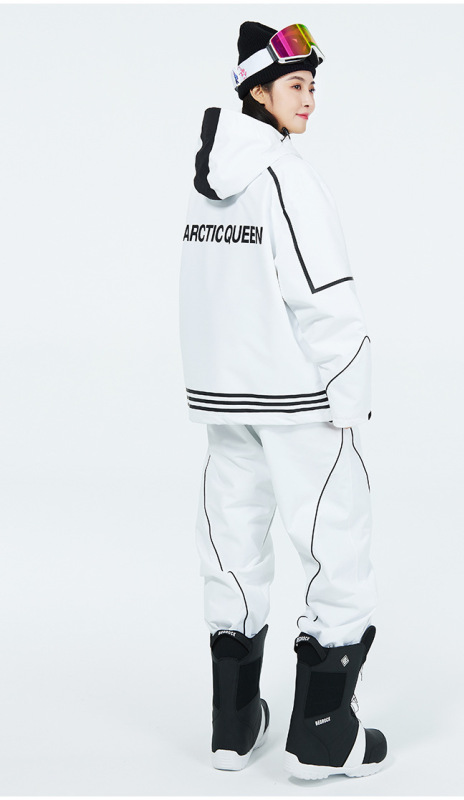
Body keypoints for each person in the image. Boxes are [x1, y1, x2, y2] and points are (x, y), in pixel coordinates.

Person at [179, 21, 388, 780]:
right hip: (298, 400)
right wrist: (351, 387)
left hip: (225, 399)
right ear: (258, 92)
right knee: (337, 545)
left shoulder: (208, 183)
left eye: (312, 85)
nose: (310, 100)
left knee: (232, 550)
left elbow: (205, 293)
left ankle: (233, 729)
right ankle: (325, 735)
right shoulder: (282, 176)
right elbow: (322, 293)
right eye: (296, 85)